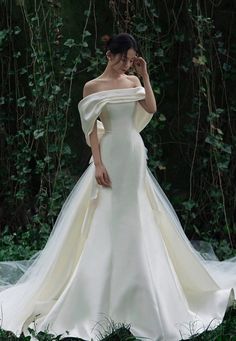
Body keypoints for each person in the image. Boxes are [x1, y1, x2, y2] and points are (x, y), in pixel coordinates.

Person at [0, 32, 235, 341]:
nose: (126, 63)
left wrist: (145, 75)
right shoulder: (92, 87)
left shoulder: (134, 83)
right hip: (109, 153)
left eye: (131, 58)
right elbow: (91, 130)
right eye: (123, 57)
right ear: (109, 55)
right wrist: (97, 163)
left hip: (133, 152)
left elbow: (150, 108)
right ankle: (97, 293)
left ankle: (142, 291)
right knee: (106, 216)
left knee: (137, 214)